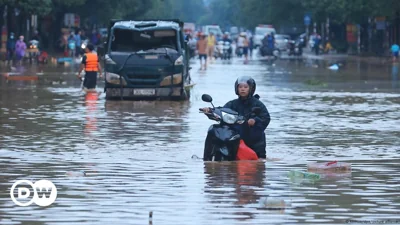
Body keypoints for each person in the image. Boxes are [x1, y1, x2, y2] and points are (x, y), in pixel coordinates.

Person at [202, 76, 271, 158]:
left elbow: (266, 117)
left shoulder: (257, 104)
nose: (242, 89)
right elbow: (223, 110)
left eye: (245, 87)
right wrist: (210, 110)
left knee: (259, 161)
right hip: (235, 134)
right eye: (240, 87)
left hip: (253, 136)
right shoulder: (233, 103)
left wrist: (255, 120)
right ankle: (208, 159)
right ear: (237, 88)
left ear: (251, 89)